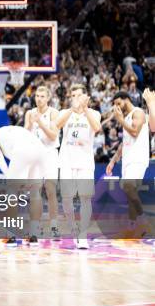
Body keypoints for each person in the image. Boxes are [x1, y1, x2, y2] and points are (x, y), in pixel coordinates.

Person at [56, 84, 102, 250]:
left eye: (77, 95)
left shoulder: (94, 113)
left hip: (85, 162)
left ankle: (82, 235)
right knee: (67, 199)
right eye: (72, 95)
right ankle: (73, 227)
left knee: (85, 198)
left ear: (85, 96)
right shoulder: (64, 113)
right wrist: (72, 108)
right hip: (66, 160)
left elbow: (97, 127)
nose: (74, 98)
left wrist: (85, 108)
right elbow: (57, 125)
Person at [0, 125, 48, 245]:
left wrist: (8, 175)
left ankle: (10, 235)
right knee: (35, 192)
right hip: (41, 150)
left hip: (23, 150)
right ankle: (34, 235)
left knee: (11, 192)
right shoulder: (15, 131)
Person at [106, 91, 149, 237]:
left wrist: (121, 120)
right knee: (130, 193)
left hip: (138, 158)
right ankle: (132, 227)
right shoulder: (126, 118)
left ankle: (143, 220)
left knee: (128, 186)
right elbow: (124, 143)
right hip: (128, 159)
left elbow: (135, 132)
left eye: (119, 103)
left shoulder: (138, 112)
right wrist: (113, 161)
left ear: (127, 100)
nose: (117, 107)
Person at [24, 86, 60, 239]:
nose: (39, 98)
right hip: (34, 154)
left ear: (48, 98)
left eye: (42, 96)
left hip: (50, 153)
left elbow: (53, 136)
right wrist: (32, 123)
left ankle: (54, 226)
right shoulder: (29, 113)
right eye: (37, 96)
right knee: (35, 192)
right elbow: (25, 135)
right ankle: (35, 228)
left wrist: (40, 122)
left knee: (51, 190)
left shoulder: (54, 113)